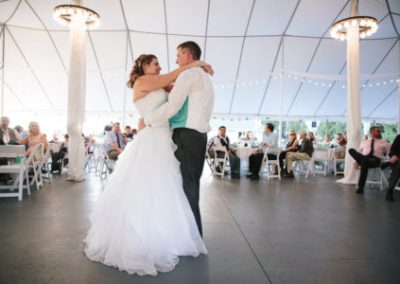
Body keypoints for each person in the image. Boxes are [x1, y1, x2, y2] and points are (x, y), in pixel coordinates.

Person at [84, 51, 211, 276]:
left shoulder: (157, 84)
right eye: (155, 64)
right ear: (144, 66)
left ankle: (164, 233)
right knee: (147, 187)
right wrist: (197, 63)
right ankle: (140, 239)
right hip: (153, 138)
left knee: (165, 188)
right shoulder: (143, 81)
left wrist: (196, 74)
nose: (159, 67)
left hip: (164, 137)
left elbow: (177, 93)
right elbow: (174, 76)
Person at [140, 41, 214, 238]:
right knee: (189, 185)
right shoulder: (204, 77)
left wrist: (147, 120)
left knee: (186, 187)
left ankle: (191, 237)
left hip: (187, 136)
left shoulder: (189, 74)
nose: (175, 60)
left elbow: (173, 106)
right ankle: (189, 234)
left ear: (188, 55)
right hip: (197, 136)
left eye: (179, 55)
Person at [348, 126, 391, 194]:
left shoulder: (384, 142)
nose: (380, 133)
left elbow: (392, 150)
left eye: (379, 131)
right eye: (378, 131)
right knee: (351, 150)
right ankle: (361, 187)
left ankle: (361, 187)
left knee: (363, 161)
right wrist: (356, 161)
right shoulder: (364, 141)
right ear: (372, 133)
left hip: (375, 160)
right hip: (365, 159)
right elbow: (359, 152)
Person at [381, 134, 400, 201]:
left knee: (397, 166)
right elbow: (392, 151)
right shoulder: (399, 137)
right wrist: (394, 156)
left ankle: (390, 190)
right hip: (396, 162)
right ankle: (390, 190)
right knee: (398, 167)